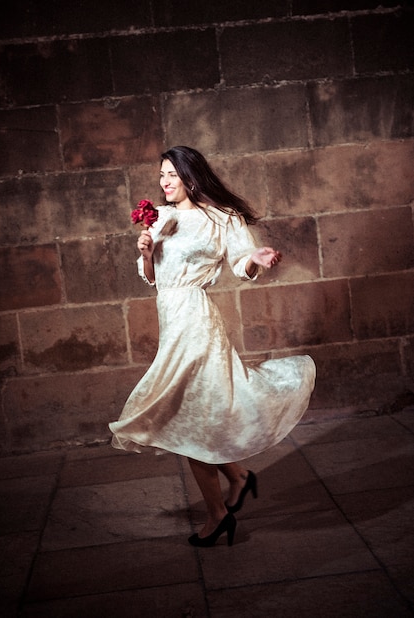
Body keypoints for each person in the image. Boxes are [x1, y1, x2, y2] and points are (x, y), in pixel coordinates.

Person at [109, 146, 316, 547]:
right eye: (162, 175)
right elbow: (152, 277)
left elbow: (242, 261)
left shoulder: (223, 218)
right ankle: (238, 477)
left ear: (190, 175)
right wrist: (147, 253)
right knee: (197, 412)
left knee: (191, 418)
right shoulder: (163, 218)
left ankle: (218, 515)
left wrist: (256, 255)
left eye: (171, 174)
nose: (164, 182)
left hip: (197, 321)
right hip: (172, 319)